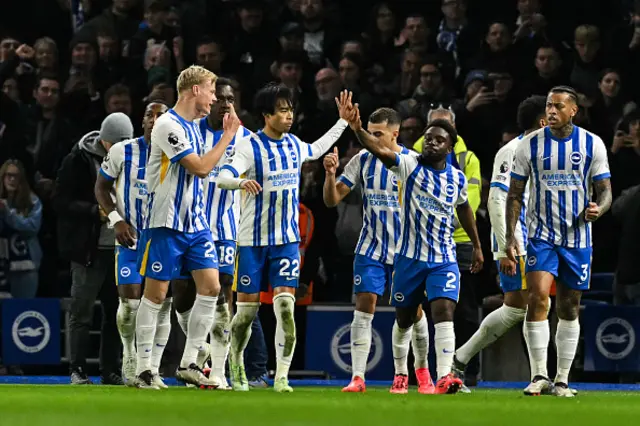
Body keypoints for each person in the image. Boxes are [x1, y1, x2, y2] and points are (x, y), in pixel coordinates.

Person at [217, 85, 352, 392]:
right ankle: (236, 363)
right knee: (246, 312)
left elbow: (318, 148)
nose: (289, 115)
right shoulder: (250, 147)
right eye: (281, 110)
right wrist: (240, 182)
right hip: (251, 242)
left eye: (290, 109)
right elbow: (222, 176)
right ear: (267, 115)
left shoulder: (294, 145)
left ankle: (281, 376)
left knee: (285, 308)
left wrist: (342, 121)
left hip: (286, 242)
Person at [345, 103, 484, 395]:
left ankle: (444, 376)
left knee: (444, 310)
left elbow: (465, 209)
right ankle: (401, 373)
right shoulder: (409, 165)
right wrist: (357, 129)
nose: (431, 142)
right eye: (428, 137)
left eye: (438, 139)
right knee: (405, 318)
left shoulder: (457, 178)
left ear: (449, 147)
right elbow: (381, 151)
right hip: (408, 258)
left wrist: (477, 245)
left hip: (443, 259)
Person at [133, 65, 241, 389]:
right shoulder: (167, 124)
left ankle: (190, 362)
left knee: (211, 287)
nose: (214, 98)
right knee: (156, 296)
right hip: (165, 222)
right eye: (210, 90)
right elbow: (200, 168)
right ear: (195, 89)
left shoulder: (193, 128)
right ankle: (143, 369)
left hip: (196, 223)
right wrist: (228, 136)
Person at [506, 86, 612, 397]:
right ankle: (539, 375)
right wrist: (512, 236)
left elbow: (605, 190)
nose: (551, 111)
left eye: (558, 106)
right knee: (538, 297)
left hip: (577, 238)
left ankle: (562, 379)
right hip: (541, 236)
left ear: (573, 111)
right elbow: (514, 195)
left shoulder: (591, 144)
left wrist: (599, 208)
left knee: (569, 305)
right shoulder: (530, 145)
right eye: (549, 106)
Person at [322, 107, 432, 394]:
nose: (371, 138)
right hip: (371, 247)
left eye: (378, 134)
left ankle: (421, 370)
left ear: (395, 134)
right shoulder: (362, 161)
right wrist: (330, 175)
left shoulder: (412, 162)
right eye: (369, 133)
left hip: (406, 251)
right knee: (364, 303)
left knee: (413, 312)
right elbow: (333, 199)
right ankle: (358, 377)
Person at [452, 95, 546, 384]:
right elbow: (496, 199)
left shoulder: (548, 152)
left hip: (538, 240)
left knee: (522, 307)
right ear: (543, 121)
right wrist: (507, 244)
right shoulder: (512, 150)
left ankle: (460, 358)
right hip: (514, 239)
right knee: (527, 304)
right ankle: (539, 375)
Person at [171, 77, 253, 390]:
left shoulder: (245, 138)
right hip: (188, 225)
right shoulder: (191, 131)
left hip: (225, 230)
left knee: (222, 300)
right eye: (219, 98)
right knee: (181, 295)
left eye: (230, 99)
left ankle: (218, 370)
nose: (225, 104)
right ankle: (199, 349)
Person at [55, 112, 134, 385]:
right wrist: (94, 211)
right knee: (82, 311)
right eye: (116, 143)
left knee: (117, 313)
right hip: (88, 249)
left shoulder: (131, 158)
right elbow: (60, 201)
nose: (121, 148)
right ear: (104, 141)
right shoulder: (76, 159)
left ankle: (110, 370)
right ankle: (77, 369)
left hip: (120, 248)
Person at [94, 101, 169, 388]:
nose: (153, 119)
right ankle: (129, 353)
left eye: (160, 115)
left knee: (162, 305)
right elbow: (100, 187)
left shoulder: (179, 154)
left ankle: (151, 368)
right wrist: (115, 219)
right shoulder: (121, 151)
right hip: (131, 238)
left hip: (164, 239)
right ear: (143, 121)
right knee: (130, 303)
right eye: (148, 114)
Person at [0, 159, 43, 298]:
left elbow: (32, 228)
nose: (12, 179)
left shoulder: (32, 201)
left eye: (16, 176)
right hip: (2, 264)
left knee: (23, 310)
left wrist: (8, 213)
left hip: (27, 266)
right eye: (8, 175)